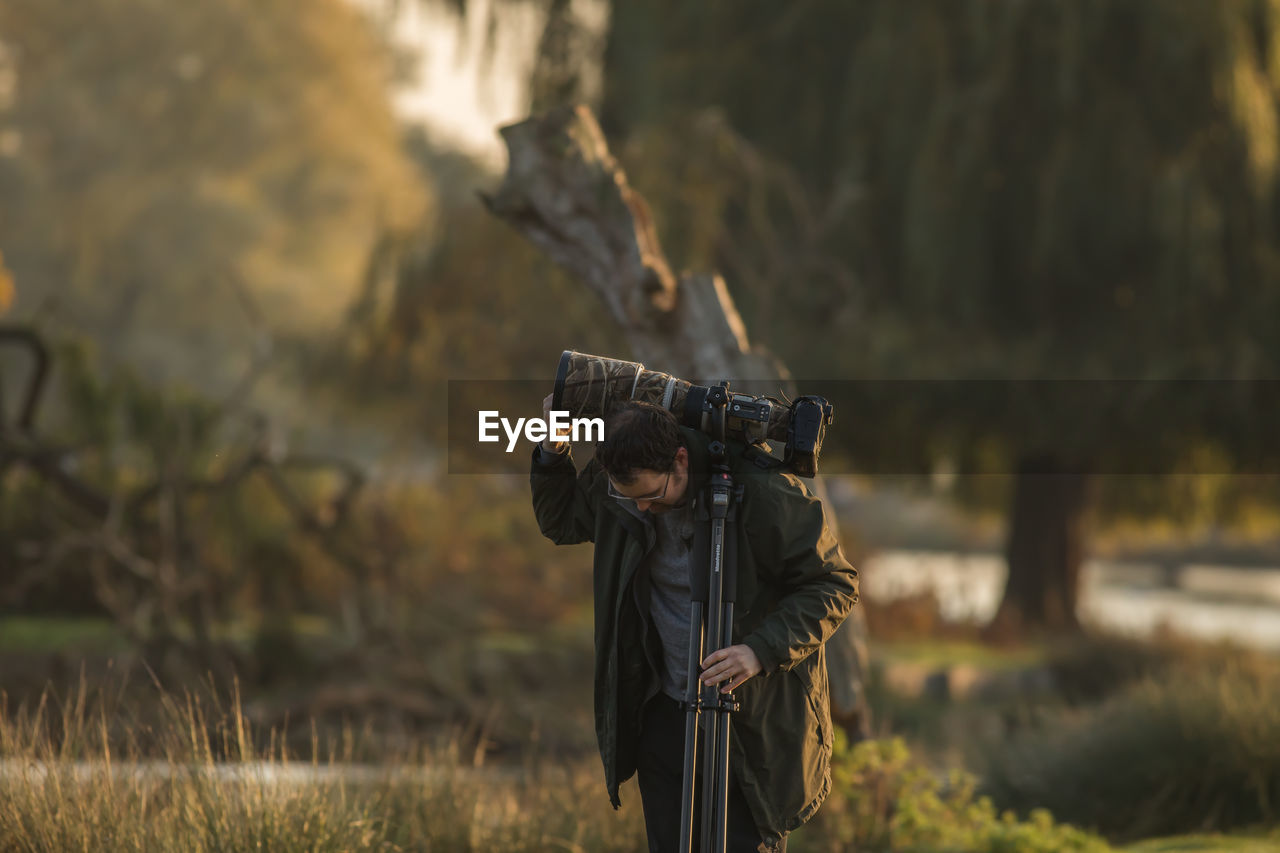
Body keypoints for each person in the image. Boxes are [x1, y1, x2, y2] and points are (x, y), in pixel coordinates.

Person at [530, 396, 859, 853]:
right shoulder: (623, 486)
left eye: (652, 496)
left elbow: (835, 584)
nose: (643, 509)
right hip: (663, 713)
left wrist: (759, 651)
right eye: (632, 499)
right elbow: (562, 520)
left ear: (680, 460)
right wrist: (553, 448)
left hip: (752, 722)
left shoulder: (761, 492)